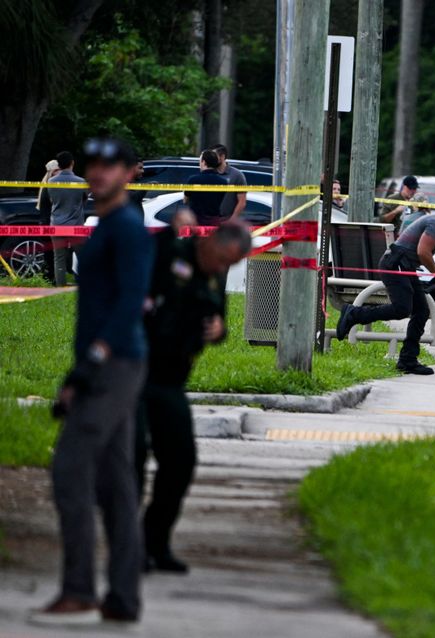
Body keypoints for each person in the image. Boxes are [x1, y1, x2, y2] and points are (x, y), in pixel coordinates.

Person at [32, 138, 153, 626]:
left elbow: (130, 303)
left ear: (131, 173)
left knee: (70, 470)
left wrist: (91, 365)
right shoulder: (106, 226)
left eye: (111, 166)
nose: (99, 174)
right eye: (93, 166)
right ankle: (122, 597)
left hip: (114, 365)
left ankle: (79, 588)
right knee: (116, 484)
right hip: (111, 363)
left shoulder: (126, 228)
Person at [136, 217, 251, 574]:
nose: (222, 267)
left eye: (230, 265)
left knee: (180, 462)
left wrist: (219, 331)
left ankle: (155, 541)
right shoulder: (173, 252)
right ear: (211, 242)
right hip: (136, 373)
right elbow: (145, 256)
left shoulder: (216, 276)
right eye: (221, 258)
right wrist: (172, 230)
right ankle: (129, 546)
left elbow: (217, 320)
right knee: (132, 460)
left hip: (171, 379)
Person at [335, 194, 435, 375]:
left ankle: (408, 360)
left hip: (406, 265)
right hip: (396, 263)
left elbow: (421, 254)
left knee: (422, 311)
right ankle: (354, 313)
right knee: (402, 308)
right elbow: (423, 252)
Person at [39, 151, 87, 286]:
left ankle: (60, 285)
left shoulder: (51, 182)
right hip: (76, 225)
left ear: (59, 165)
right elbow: (84, 200)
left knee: (58, 257)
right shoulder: (81, 182)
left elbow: (49, 201)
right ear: (72, 163)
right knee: (82, 256)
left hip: (57, 224)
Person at [184, 150, 227, 227]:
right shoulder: (223, 182)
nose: (199, 163)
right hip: (214, 223)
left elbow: (185, 201)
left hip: (195, 223)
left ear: (203, 162)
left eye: (200, 161)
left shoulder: (193, 180)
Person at [210, 144, 247, 221]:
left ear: (222, 157)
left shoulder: (237, 175)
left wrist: (231, 221)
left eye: (213, 156)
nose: (211, 159)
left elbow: (242, 202)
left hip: (227, 219)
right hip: (209, 221)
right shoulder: (208, 174)